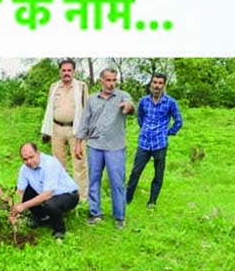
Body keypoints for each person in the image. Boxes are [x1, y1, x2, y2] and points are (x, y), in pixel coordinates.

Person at [75, 69, 135, 229]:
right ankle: (95, 213)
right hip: (94, 145)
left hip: (115, 146)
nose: (111, 84)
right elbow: (84, 122)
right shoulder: (92, 99)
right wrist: (78, 143)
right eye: (108, 80)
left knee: (117, 182)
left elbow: (131, 107)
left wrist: (128, 107)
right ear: (101, 81)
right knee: (93, 180)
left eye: (114, 80)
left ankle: (119, 216)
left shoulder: (122, 95)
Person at [126, 73, 183, 209]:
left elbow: (178, 121)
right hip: (144, 142)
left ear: (164, 85)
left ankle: (152, 201)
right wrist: (145, 129)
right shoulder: (144, 101)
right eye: (155, 82)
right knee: (135, 171)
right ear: (151, 84)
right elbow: (140, 118)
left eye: (160, 83)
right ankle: (127, 198)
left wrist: (167, 132)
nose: (157, 86)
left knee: (158, 173)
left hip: (160, 144)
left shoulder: (170, 102)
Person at [41, 59, 89, 203]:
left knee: (79, 164)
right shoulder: (54, 87)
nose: (66, 73)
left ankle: (81, 197)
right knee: (57, 163)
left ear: (74, 72)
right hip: (57, 128)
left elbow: (87, 110)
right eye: (64, 70)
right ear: (60, 72)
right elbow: (49, 109)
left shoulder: (81, 87)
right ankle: (61, 193)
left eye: (69, 70)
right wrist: (46, 131)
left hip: (76, 130)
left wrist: (85, 131)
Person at [9, 142, 79, 239]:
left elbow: (47, 195)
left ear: (38, 153)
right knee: (25, 191)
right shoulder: (24, 169)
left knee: (50, 204)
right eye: (25, 159)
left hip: (68, 195)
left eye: (31, 157)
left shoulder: (50, 163)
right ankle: (42, 218)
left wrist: (23, 206)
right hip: (45, 195)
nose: (29, 161)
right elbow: (20, 192)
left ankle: (59, 230)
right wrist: (14, 211)